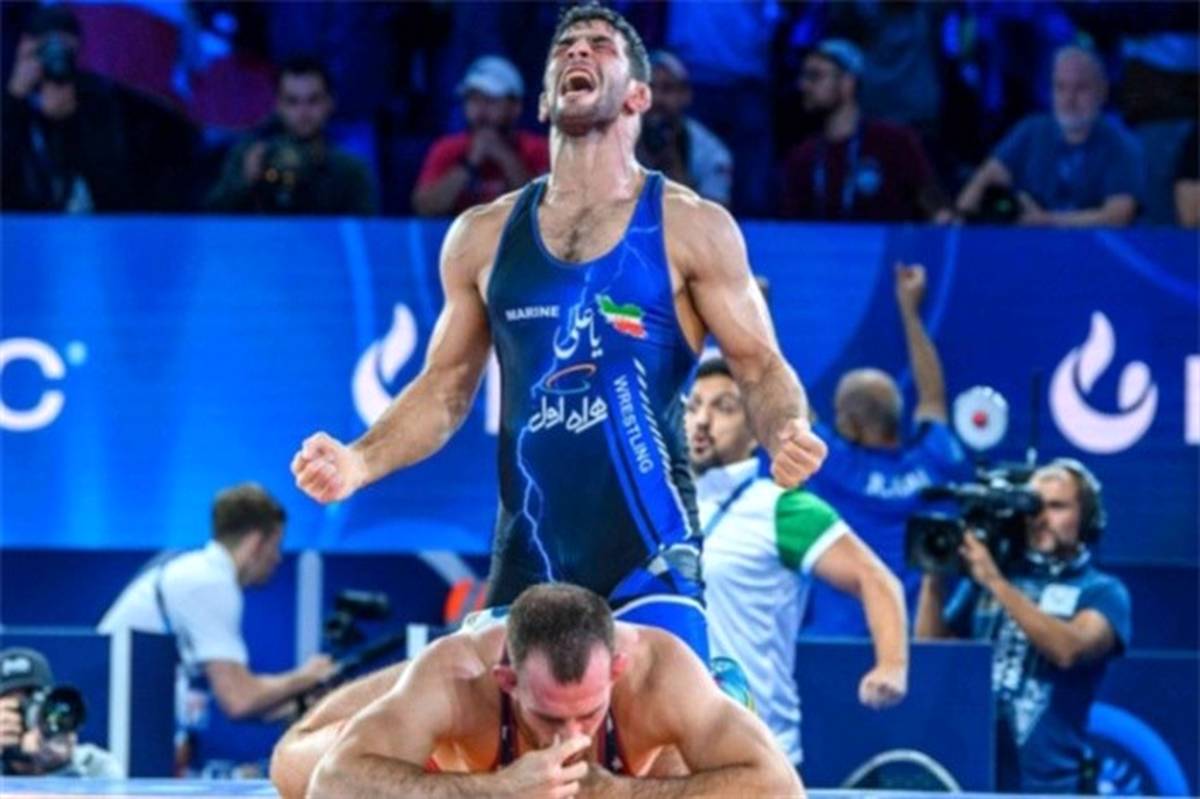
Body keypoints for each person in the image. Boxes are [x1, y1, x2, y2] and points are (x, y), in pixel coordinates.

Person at [291, 4, 827, 660]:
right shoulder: (482, 236)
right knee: (413, 713)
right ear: (544, 100)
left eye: (600, 45)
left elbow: (759, 364)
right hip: (527, 561)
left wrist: (786, 429)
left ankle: (720, 685)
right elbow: (445, 388)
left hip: (650, 557)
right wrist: (358, 461)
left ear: (638, 95)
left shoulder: (693, 226)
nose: (577, 51)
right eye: (565, 46)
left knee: (682, 725)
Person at [271, 583, 803, 799]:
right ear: (507, 683)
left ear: (615, 672)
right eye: (548, 717)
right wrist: (497, 789)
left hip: (658, 713)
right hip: (481, 654)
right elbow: (329, 784)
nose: (568, 737)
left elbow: (781, 788)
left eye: (588, 713)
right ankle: (410, 691)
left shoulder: (654, 674)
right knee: (291, 765)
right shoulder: (465, 676)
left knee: (676, 766)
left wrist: (621, 794)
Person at [685, 356, 908, 767]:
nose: (701, 420)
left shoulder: (782, 508)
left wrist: (890, 666)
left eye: (724, 408)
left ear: (757, 431)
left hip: (758, 756)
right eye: (693, 405)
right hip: (670, 753)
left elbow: (877, 580)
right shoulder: (663, 507)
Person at [915, 460, 1131, 794]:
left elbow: (1068, 650)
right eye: (1033, 507)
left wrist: (995, 582)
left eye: (1057, 507)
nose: (1041, 518)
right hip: (972, 777)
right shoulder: (994, 575)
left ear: (1087, 518)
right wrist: (934, 575)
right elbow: (930, 650)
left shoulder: (1102, 591)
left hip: (1047, 786)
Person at [98, 483, 335, 768]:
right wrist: (308, 676)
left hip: (124, 719)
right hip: (110, 725)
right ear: (255, 543)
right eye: (276, 546)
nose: (277, 558)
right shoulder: (210, 583)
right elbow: (239, 699)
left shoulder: (200, 571)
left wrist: (301, 703)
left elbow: (244, 699)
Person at [802, 263, 970, 638]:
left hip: (834, 647)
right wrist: (910, 312)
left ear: (849, 424)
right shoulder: (936, 462)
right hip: (914, 645)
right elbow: (933, 398)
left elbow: (790, 407)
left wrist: (758, 310)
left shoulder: (831, 465)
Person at [955, 46, 1144, 227]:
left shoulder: (1121, 145)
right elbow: (986, 178)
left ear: (1102, 92)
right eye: (1061, 87)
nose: (1069, 99)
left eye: (1080, 88)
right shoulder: (1031, 130)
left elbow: (1118, 214)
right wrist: (958, 217)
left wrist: (1047, 221)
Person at [781, 39, 949, 223]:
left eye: (815, 76)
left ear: (848, 83)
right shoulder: (802, 157)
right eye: (803, 77)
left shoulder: (894, 143)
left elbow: (938, 212)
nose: (803, 86)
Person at [205, 55, 376, 215]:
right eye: (292, 101)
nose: (303, 112)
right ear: (278, 104)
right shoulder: (249, 155)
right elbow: (208, 218)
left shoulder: (350, 171)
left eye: (313, 100)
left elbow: (365, 231)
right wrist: (245, 181)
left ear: (330, 103)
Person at [1, 4, 129, 212]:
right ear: (23, 46)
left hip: (78, 221)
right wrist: (13, 101)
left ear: (77, 48)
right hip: (14, 218)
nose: (53, 57)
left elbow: (112, 183)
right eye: (44, 48)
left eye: (61, 50)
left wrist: (67, 123)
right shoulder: (8, 91)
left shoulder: (93, 96)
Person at [412, 55, 551, 216]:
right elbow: (424, 208)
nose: (480, 109)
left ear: (515, 107)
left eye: (490, 100)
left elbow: (545, 208)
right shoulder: (447, 149)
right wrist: (469, 163)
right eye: (473, 100)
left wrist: (504, 156)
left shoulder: (538, 149)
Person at [0, 647, 122, 778]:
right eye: (16, 709)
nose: (29, 716)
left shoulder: (94, 766)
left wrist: (62, 766)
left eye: (35, 705)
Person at [636, 50, 732, 206]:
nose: (657, 98)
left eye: (667, 89)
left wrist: (674, 168)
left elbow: (718, 209)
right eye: (649, 88)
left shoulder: (710, 151)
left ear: (685, 95)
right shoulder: (616, 139)